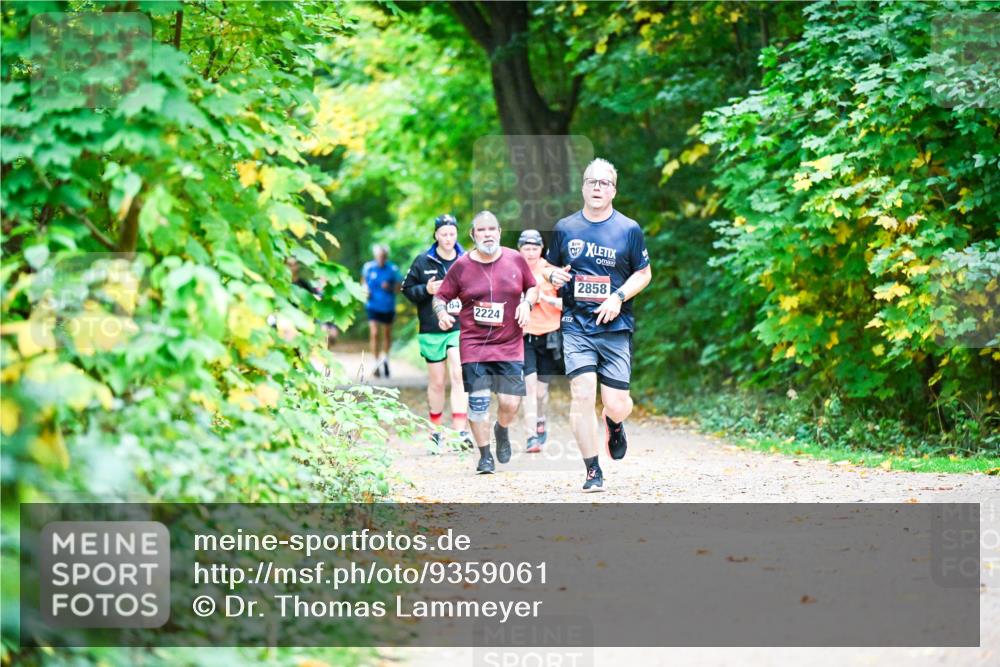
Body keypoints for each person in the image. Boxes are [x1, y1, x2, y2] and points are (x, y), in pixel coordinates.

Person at [545, 158, 652, 492]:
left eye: (604, 182)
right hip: (575, 324)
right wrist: (552, 275)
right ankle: (593, 469)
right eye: (592, 181)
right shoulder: (565, 228)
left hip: (615, 326)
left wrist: (617, 297)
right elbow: (547, 266)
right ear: (583, 187)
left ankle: (614, 423)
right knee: (581, 393)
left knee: (617, 403)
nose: (597, 187)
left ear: (613, 191)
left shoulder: (629, 229)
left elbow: (643, 273)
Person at [433, 211, 538, 474]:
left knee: (510, 403)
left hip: (510, 344)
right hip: (474, 345)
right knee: (478, 404)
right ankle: (484, 455)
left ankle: (501, 429)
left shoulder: (515, 259)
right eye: (481, 230)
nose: (487, 234)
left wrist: (526, 303)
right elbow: (440, 297)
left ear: (499, 232)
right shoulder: (461, 266)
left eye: (492, 229)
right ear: (472, 234)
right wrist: (442, 314)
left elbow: (532, 287)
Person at [401, 214, 472, 448]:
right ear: (436, 235)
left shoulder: (466, 260)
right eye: (444, 234)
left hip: (459, 326)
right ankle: (435, 430)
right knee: (437, 382)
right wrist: (426, 289)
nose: (449, 238)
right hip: (431, 328)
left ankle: (460, 432)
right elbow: (407, 289)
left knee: (458, 374)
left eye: (452, 234)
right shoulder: (423, 261)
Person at [516, 229, 564, 453]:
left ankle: (541, 418)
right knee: (529, 387)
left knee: (541, 393)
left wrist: (543, 297)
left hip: (549, 336)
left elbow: (569, 305)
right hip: (524, 335)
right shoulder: (513, 270)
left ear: (541, 249)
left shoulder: (552, 272)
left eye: (535, 248)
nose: (530, 252)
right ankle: (531, 437)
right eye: (526, 248)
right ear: (519, 249)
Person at [361, 244, 401, 378]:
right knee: (374, 333)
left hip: (388, 306)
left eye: (383, 257)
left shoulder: (392, 269)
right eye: (379, 256)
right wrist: (365, 290)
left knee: (387, 334)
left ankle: (385, 359)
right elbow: (363, 282)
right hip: (372, 305)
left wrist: (389, 287)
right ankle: (375, 363)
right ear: (375, 256)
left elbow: (399, 288)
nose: (381, 259)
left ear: (386, 256)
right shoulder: (368, 267)